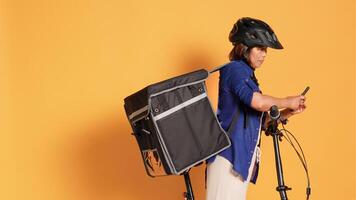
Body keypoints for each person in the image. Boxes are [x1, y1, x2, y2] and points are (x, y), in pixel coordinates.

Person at [205, 17, 307, 200]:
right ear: (245, 48)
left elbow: (257, 120)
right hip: (228, 156)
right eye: (260, 49)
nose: (264, 54)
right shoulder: (235, 69)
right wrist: (287, 101)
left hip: (241, 159)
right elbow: (257, 102)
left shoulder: (248, 75)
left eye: (265, 50)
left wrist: (287, 112)